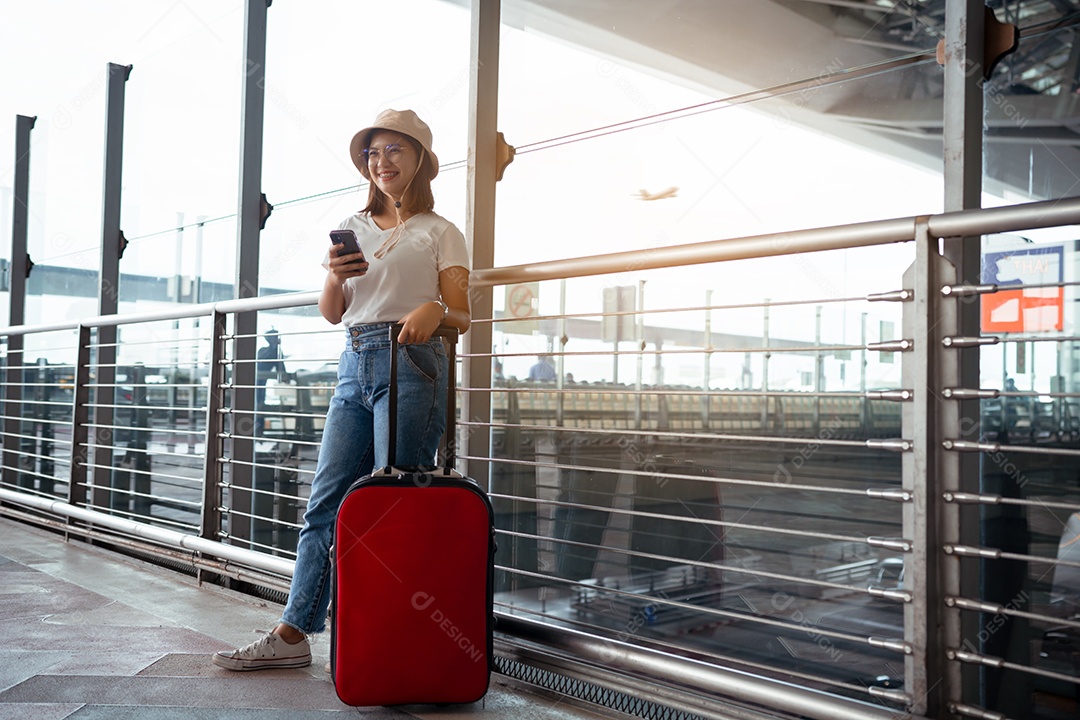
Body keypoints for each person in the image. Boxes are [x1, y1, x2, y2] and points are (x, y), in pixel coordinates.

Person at [213, 108, 471, 671]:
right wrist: (334, 276)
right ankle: (293, 633)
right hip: (354, 362)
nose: (382, 162)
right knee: (324, 506)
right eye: (373, 154)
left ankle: (386, 640)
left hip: (412, 365)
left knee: (391, 508)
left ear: (421, 159)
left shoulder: (441, 231)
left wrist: (436, 307)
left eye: (395, 151)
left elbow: (464, 314)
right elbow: (333, 313)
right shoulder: (352, 226)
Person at [254, 329, 286, 435]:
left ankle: (259, 429)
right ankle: (257, 429)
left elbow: (281, 370)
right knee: (256, 402)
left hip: (261, 383)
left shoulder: (276, 352)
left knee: (259, 403)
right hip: (254, 382)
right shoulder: (263, 350)